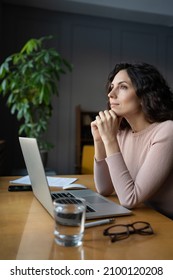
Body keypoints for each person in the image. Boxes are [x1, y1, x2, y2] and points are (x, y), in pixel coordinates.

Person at [91, 62, 173, 219]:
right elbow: (104, 189)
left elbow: (130, 199)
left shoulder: (167, 131)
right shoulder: (123, 133)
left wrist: (110, 140)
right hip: (144, 217)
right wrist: (100, 140)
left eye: (122, 87)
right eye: (112, 87)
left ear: (144, 96)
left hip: (167, 224)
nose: (111, 94)